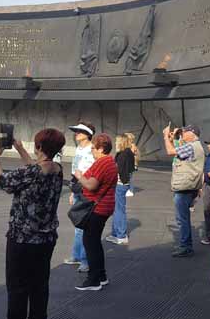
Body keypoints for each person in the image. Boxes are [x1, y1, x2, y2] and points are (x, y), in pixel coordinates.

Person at [0, 129, 65, 319]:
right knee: (39, 286)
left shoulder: (29, 173)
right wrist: (20, 149)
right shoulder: (58, 169)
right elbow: (38, 168)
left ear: (39, 146)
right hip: (46, 239)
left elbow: (1, 181)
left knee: (17, 288)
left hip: (22, 240)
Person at [75, 133, 118, 291]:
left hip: (97, 207)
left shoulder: (102, 162)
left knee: (90, 243)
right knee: (94, 242)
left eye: (93, 148)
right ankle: (101, 276)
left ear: (101, 148)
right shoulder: (110, 162)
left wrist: (79, 176)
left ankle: (93, 280)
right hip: (104, 206)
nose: (91, 150)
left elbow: (91, 185)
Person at [163, 123, 205, 257]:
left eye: (184, 132)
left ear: (192, 134)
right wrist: (174, 139)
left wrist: (165, 137)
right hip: (189, 186)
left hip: (185, 188)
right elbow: (178, 149)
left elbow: (170, 152)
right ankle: (185, 245)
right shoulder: (195, 146)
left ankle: (186, 246)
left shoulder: (191, 147)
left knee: (182, 219)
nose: (182, 134)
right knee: (183, 218)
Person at [64, 122, 96, 273]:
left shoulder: (93, 149)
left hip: (87, 190)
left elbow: (95, 172)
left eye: (79, 131)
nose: (76, 133)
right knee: (78, 225)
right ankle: (76, 256)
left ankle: (85, 260)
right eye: (76, 131)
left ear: (88, 134)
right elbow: (75, 172)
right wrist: (72, 192)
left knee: (84, 227)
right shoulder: (78, 148)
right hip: (78, 189)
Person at [106, 135, 135, 245]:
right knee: (116, 209)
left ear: (121, 142)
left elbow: (118, 170)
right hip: (122, 183)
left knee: (119, 210)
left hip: (120, 184)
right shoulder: (127, 153)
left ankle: (121, 235)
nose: (115, 143)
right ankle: (115, 233)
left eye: (117, 141)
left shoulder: (123, 154)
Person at [124, 132, 139, 197]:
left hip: (130, 164)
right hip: (129, 163)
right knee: (128, 177)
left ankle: (130, 190)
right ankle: (129, 190)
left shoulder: (132, 146)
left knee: (129, 178)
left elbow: (133, 155)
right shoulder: (129, 146)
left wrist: (135, 165)